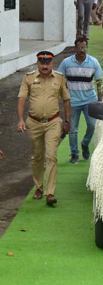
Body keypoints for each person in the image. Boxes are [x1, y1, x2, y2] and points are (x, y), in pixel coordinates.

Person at [17, 51, 71, 206]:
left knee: (51, 155)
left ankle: (50, 192)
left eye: (48, 63)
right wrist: (20, 120)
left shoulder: (60, 78)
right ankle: (39, 187)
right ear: (38, 63)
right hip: (33, 123)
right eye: (42, 63)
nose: (45, 66)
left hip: (53, 122)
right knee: (37, 157)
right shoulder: (28, 78)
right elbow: (21, 99)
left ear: (52, 64)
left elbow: (66, 100)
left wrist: (67, 121)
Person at [57, 37, 103, 164]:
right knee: (72, 130)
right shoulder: (66, 63)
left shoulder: (93, 62)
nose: (83, 50)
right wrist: (62, 96)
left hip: (90, 100)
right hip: (72, 102)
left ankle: (85, 143)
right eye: (80, 48)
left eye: (85, 47)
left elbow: (99, 82)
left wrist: (100, 101)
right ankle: (74, 154)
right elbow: (58, 79)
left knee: (92, 125)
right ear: (75, 49)